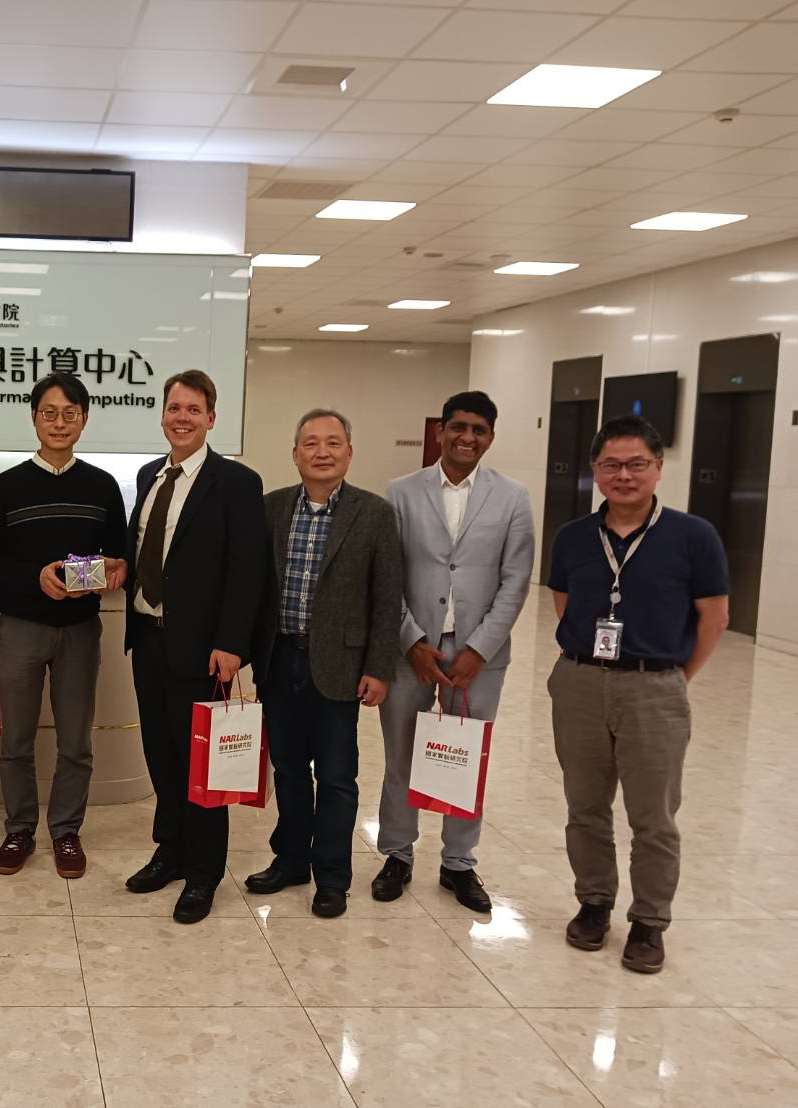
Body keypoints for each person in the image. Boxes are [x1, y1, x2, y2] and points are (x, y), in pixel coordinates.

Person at [548, 415, 729, 974]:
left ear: (657, 467)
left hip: (655, 687)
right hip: (580, 681)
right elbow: (564, 603)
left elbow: (714, 617)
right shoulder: (574, 536)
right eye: (611, 465)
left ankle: (649, 921)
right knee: (585, 806)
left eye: (636, 464)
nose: (623, 475)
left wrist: (671, 678)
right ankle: (594, 903)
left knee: (653, 815)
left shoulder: (693, 536)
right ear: (595, 472)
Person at [373, 391, 534, 913]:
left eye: (479, 430)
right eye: (458, 427)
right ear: (440, 431)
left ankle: (459, 863)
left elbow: (515, 581)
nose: (468, 438)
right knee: (401, 756)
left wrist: (479, 648)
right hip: (410, 648)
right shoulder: (400, 492)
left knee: (467, 756)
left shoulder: (513, 497)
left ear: (490, 437)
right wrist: (412, 641)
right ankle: (397, 854)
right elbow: (387, 576)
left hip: (478, 657)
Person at [244, 409, 402, 918]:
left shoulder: (373, 513)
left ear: (349, 453)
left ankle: (332, 876)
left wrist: (379, 667)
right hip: (279, 657)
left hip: (340, 666)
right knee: (287, 770)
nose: (322, 451)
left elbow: (387, 598)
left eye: (333, 442)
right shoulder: (269, 509)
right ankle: (290, 860)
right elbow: (254, 590)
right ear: (295, 454)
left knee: (336, 777)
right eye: (310, 443)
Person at [123, 369, 267, 924]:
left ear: (211, 418)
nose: (181, 417)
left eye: (192, 409)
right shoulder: (147, 477)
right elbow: (146, 549)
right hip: (149, 640)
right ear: (163, 415)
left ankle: (204, 872)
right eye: (173, 408)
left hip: (204, 650)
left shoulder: (235, 482)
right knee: (161, 755)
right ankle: (172, 851)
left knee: (200, 766)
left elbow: (246, 569)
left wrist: (233, 643)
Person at [0, 373, 127, 879]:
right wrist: (33, 577)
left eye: (70, 414)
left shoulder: (103, 486)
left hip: (81, 629)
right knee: (15, 739)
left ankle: (66, 831)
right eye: (49, 413)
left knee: (75, 742)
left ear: (84, 419)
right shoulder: (6, 486)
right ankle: (19, 828)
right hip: (20, 627)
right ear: (34, 417)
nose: (59, 423)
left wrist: (109, 572)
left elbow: (120, 558)